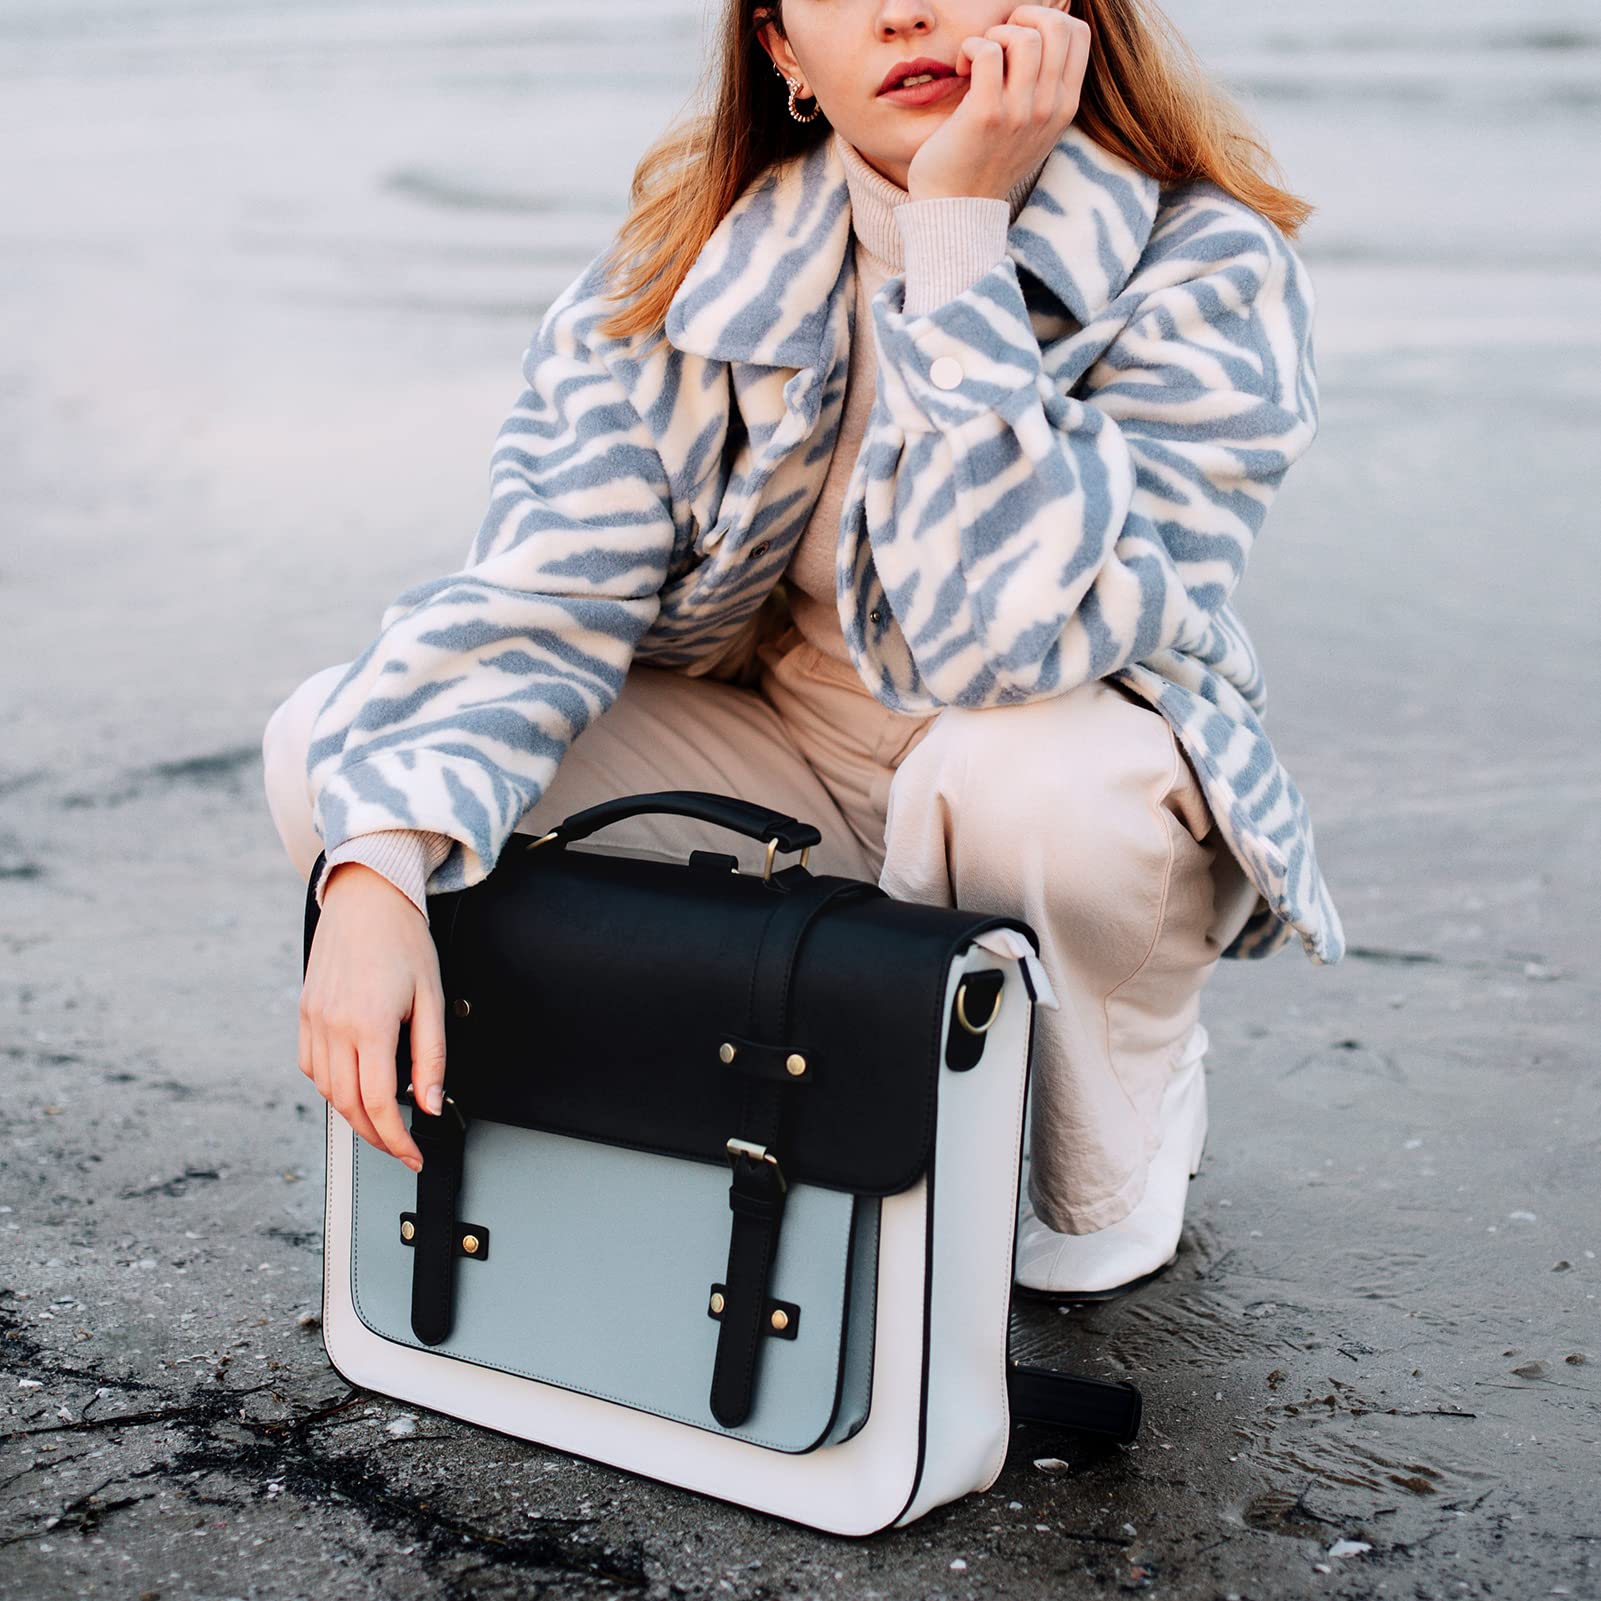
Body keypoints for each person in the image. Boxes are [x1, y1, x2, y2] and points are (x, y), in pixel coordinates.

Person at [263, 0, 1347, 1299]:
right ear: (782, 51)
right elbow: (540, 588)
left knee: (1029, 777)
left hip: (1043, 777)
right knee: (339, 754)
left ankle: (1114, 1082)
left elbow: (1006, 640)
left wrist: (956, 244)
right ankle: (673, 1090)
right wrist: (372, 877)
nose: (904, 10)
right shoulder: (683, 267)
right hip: (783, 776)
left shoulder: (1200, 262)